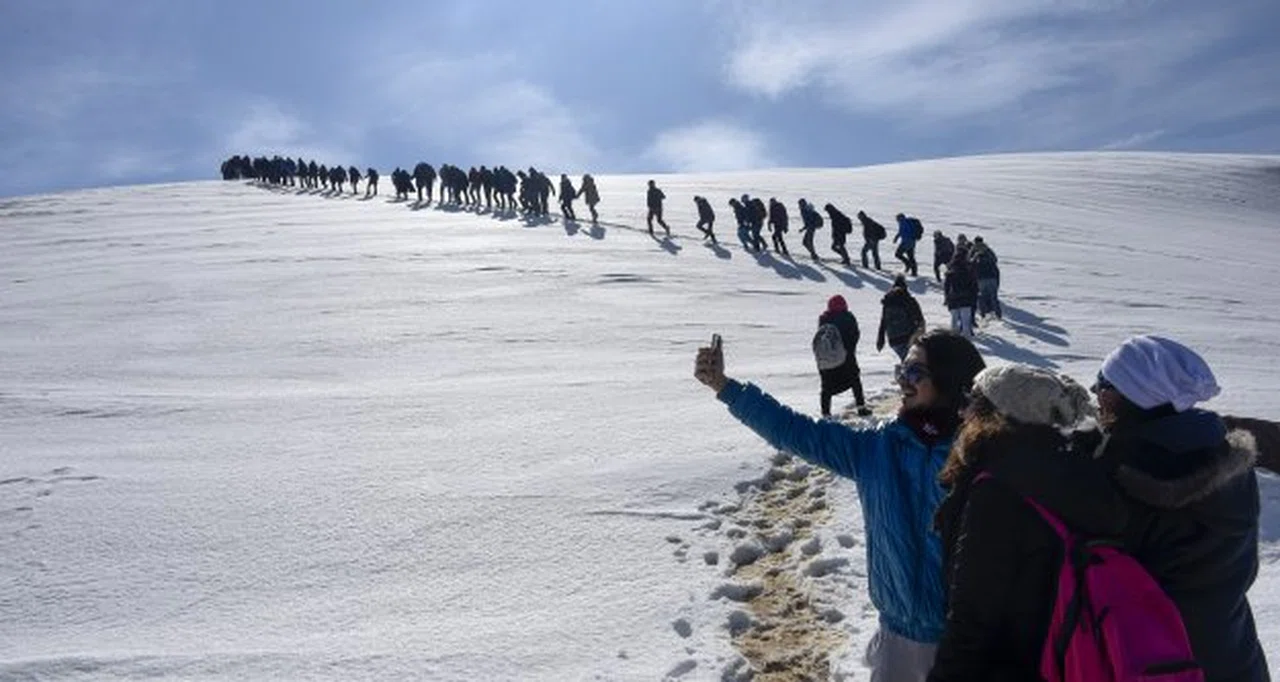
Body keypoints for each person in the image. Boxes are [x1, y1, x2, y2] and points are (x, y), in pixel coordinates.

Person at [695, 330, 986, 682]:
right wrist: (726, 388)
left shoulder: (982, 458)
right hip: (897, 641)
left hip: (970, 645)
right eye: (901, 371)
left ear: (949, 380)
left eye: (915, 373)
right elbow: (796, 431)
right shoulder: (877, 447)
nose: (903, 382)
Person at [1091, 336, 1270, 682]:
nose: (1096, 394)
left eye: (1103, 384)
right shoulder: (1227, 462)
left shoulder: (1121, 474)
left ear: (1130, 395)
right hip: (1233, 655)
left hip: (1156, 663)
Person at [929, 365, 1119, 681]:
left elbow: (973, 616)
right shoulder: (1078, 470)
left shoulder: (998, 491)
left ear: (998, 415)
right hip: (1065, 660)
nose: (962, 411)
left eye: (973, 400)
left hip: (1005, 666)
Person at [817, 295, 870, 418]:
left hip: (826, 359)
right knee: (855, 380)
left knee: (826, 386)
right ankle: (861, 408)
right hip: (847, 357)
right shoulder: (848, 317)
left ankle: (826, 414)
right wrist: (849, 350)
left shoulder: (823, 320)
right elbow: (855, 335)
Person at [877, 275, 926, 361]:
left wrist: (880, 340)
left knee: (906, 361)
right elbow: (920, 319)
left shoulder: (888, 302)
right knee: (911, 363)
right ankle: (903, 372)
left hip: (893, 340)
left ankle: (903, 370)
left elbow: (883, 322)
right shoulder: (909, 300)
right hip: (908, 338)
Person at [943, 258, 977, 338]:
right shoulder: (968, 273)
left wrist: (947, 298)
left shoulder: (950, 274)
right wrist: (973, 299)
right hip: (966, 300)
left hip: (953, 299)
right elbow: (973, 287)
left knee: (954, 320)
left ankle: (954, 338)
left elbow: (946, 288)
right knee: (965, 321)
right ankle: (966, 339)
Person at [969, 237, 1001, 321]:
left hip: (981, 277)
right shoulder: (988, 250)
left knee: (981, 297)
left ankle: (983, 315)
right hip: (992, 276)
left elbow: (970, 263)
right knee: (993, 297)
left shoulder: (973, 251)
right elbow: (995, 260)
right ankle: (998, 314)